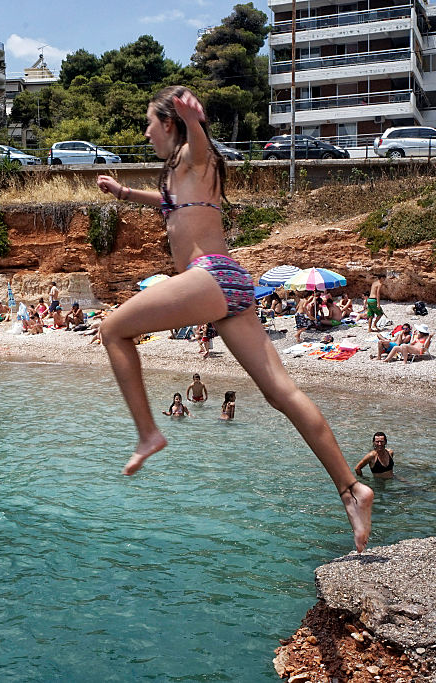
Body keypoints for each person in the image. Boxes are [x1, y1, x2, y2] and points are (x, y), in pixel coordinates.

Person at [94, 86, 372, 552]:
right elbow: (168, 203)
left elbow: (200, 147)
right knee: (281, 393)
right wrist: (123, 191)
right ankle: (352, 489)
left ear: (169, 124)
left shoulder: (193, 155)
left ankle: (148, 434)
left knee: (111, 329)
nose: (144, 133)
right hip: (232, 284)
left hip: (211, 276)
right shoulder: (181, 176)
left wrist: (193, 118)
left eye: (149, 123)